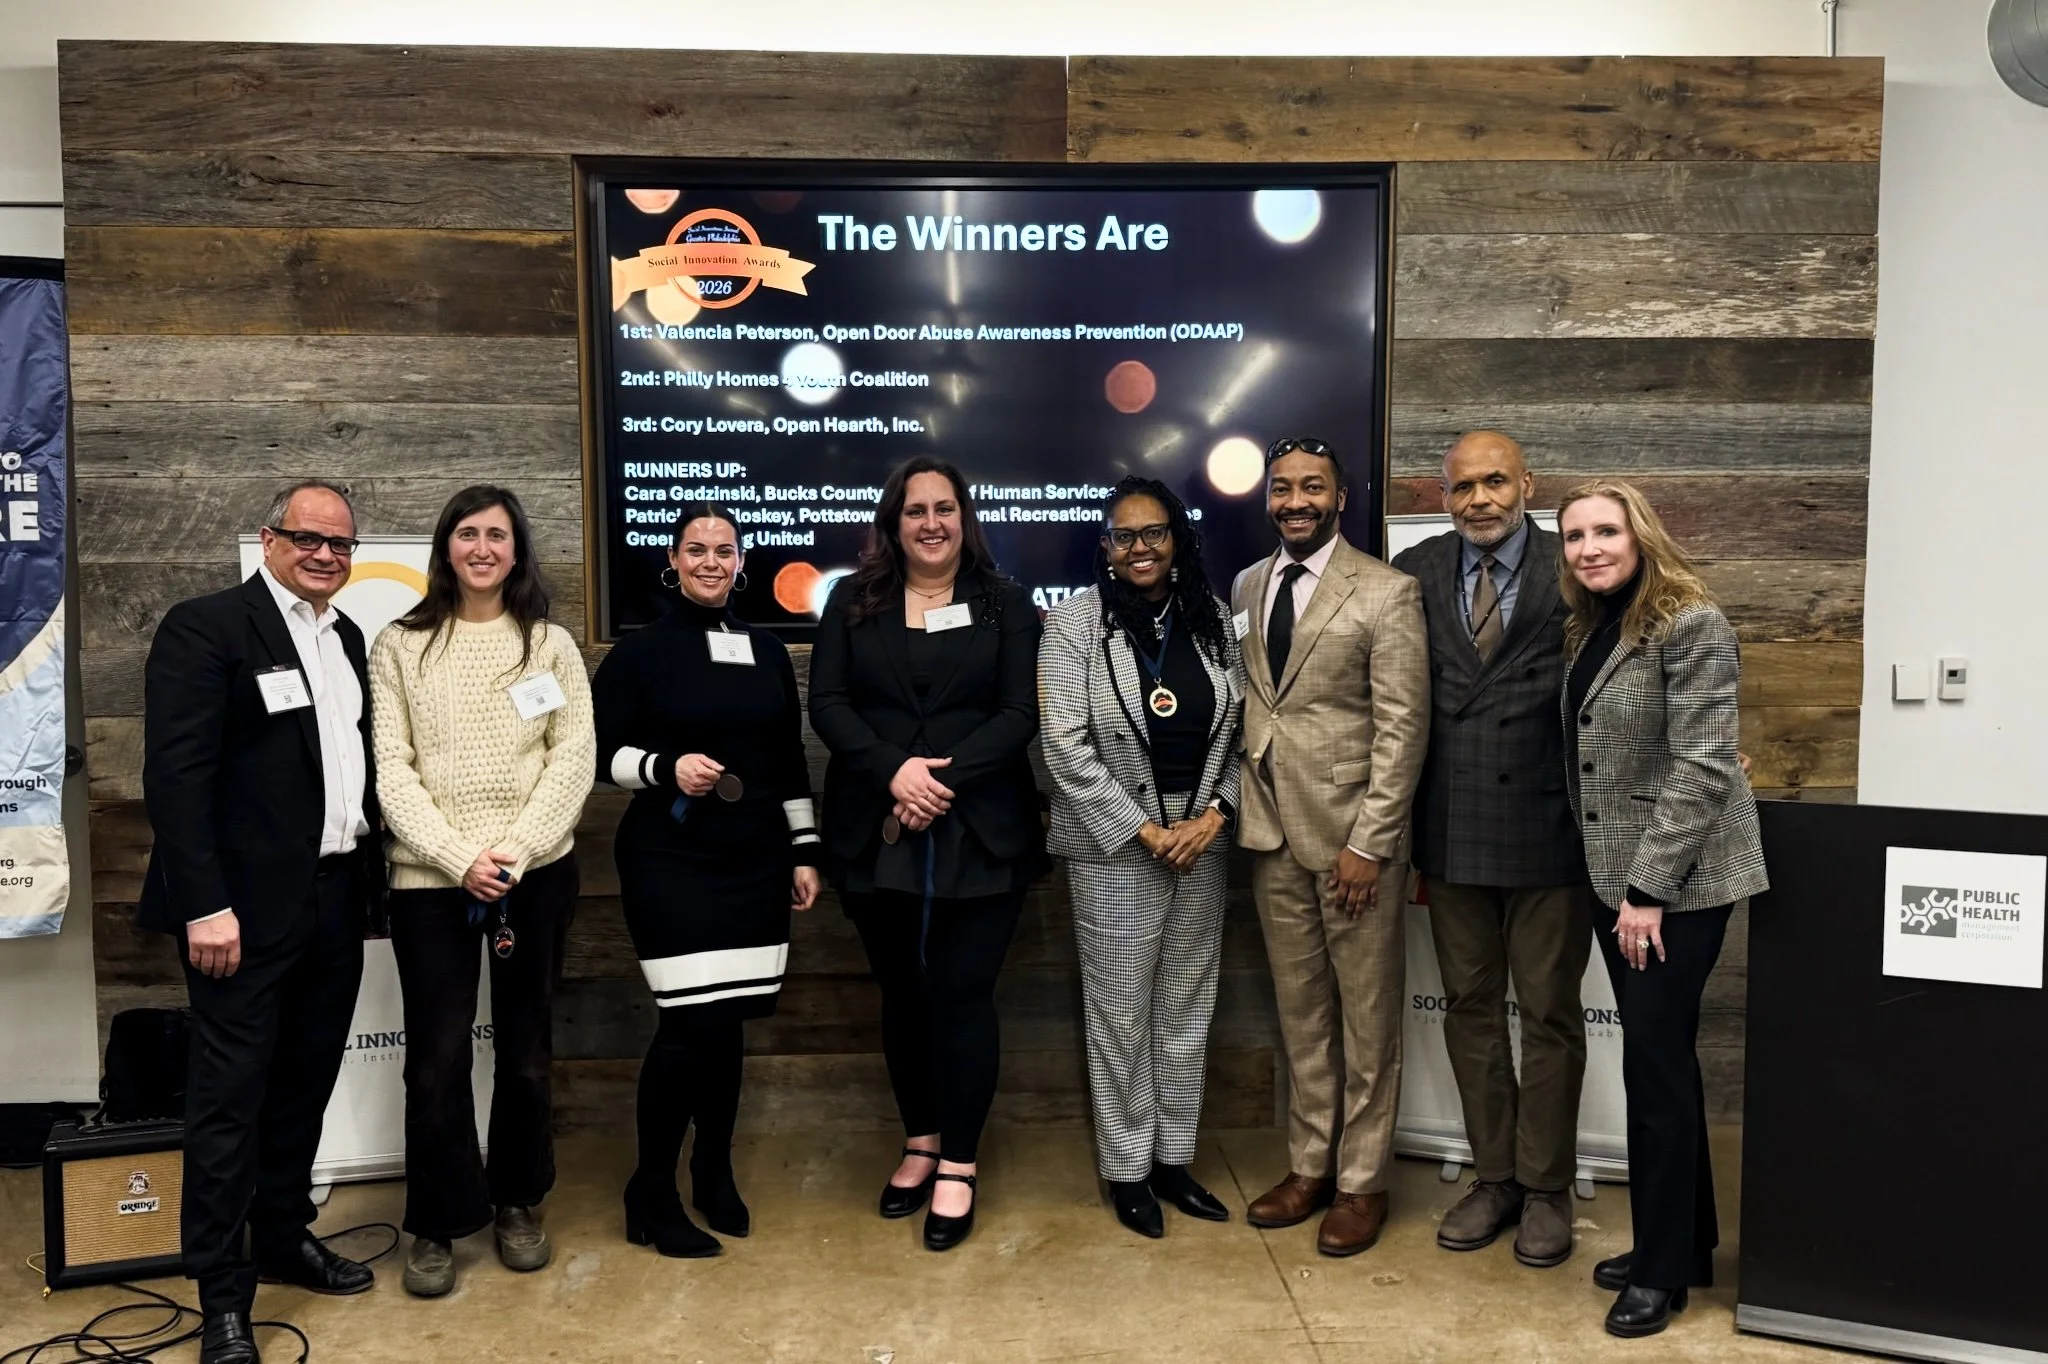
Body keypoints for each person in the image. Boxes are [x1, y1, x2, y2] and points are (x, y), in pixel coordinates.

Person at [140, 480, 383, 1364]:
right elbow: (175, 779)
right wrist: (204, 906)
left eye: (340, 544)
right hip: (237, 916)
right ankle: (222, 1296)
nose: (325, 555)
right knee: (228, 1106)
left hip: (333, 901)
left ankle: (283, 1234)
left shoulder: (344, 637)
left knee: (303, 1086)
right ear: (268, 538)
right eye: (307, 537)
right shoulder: (207, 628)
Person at [809, 457, 1046, 1253]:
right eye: (916, 511)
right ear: (894, 521)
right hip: (876, 829)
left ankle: (960, 1162)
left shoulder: (1007, 604)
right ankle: (921, 1139)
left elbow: (1018, 714)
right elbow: (828, 704)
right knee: (904, 995)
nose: (932, 523)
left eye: (945, 509)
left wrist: (937, 780)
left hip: (981, 828)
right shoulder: (852, 600)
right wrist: (894, 773)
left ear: (964, 518)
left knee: (963, 994)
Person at [370, 485, 595, 1297]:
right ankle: (435, 1220)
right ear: (446, 547)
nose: (482, 549)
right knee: (435, 1058)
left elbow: (573, 756)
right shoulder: (400, 645)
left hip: (534, 878)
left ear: (517, 550)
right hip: (430, 882)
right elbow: (390, 769)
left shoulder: (549, 645)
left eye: (498, 535)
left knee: (527, 1053)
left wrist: (517, 850)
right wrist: (458, 856)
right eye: (468, 533)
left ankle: (517, 1200)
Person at [1556, 478, 1767, 1339]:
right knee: (1661, 1063)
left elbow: (1703, 766)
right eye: (1574, 536)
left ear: (1640, 535)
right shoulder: (1590, 626)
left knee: (1655, 1073)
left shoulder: (1692, 623)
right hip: (1616, 877)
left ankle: (1660, 1273)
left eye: (1605, 531)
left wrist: (1646, 892)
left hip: (1674, 887)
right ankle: (1683, 1245)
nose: (1589, 549)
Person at [592, 503, 822, 1259]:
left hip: (756, 861)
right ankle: (650, 1190)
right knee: (689, 1026)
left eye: (724, 550)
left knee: (726, 1026)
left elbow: (787, 758)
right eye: (696, 549)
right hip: (670, 860)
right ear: (673, 559)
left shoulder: (767, 650)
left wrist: (804, 850)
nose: (711, 562)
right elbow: (596, 756)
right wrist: (665, 768)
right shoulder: (639, 653)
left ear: (741, 561)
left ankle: (712, 1172)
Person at [1389, 432, 1594, 1269]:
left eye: (1495, 482)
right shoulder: (1417, 572)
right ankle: (1496, 1176)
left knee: (1548, 1015)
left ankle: (1546, 1188)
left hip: (1551, 831)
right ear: (1444, 497)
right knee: (1471, 1011)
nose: (1479, 499)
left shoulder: (1572, 564)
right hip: (1452, 828)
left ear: (1527, 486)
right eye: (1463, 486)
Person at [1230, 436, 1429, 1258]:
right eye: (1282, 488)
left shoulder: (1387, 591)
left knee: (1368, 1022)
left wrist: (1371, 843)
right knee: (1302, 1016)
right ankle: (1310, 1165)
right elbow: (1260, 702)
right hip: (1271, 832)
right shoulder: (1248, 583)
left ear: (1340, 498)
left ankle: (1361, 1181)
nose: (1295, 502)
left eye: (1312, 487)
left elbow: (1403, 728)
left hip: (1355, 844)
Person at [1040, 476, 1245, 1238]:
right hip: (1118, 847)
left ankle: (1173, 1159)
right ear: (1105, 547)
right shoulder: (1073, 624)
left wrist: (1215, 816)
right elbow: (1064, 744)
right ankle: (1128, 1169)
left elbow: (1249, 734)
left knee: (1187, 1008)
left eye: (1153, 533)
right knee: (1121, 1015)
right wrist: (1147, 831)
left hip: (1201, 844)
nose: (1139, 549)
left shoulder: (1213, 619)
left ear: (1176, 539)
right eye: (1123, 537)